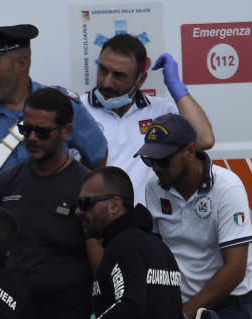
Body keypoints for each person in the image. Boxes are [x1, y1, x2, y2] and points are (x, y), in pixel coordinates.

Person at [0, 87, 98, 319]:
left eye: (42, 132)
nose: (31, 137)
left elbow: (101, 271)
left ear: (66, 131)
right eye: (25, 129)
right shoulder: (4, 184)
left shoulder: (85, 188)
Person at [0, 20, 107, 224]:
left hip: (51, 238)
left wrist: (75, 204)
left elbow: (97, 156)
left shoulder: (62, 105)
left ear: (22, 64)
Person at [48, 167, 183, 319]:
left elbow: (129, 306)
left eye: (85, 203)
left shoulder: (124, 246)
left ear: (114, 205)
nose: (78, 211)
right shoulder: (158, 247)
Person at [137, 114, 252, 319]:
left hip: (227, 310)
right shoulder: (155, 186)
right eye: (149, 159)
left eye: (163, 159)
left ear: (190, 151)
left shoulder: (227, 188)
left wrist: (186, 313)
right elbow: (158, 250)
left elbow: (235, 270)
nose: (155, 167)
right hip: (177, 308)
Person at [82, 34, 215, 206]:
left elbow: (204, 140)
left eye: (119, 76)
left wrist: (177, 88)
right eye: (103, 70)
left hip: (147, 226)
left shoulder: (160, 111)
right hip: (94, 224)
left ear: (140, 80)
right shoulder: (77, 109)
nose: (107, 83)